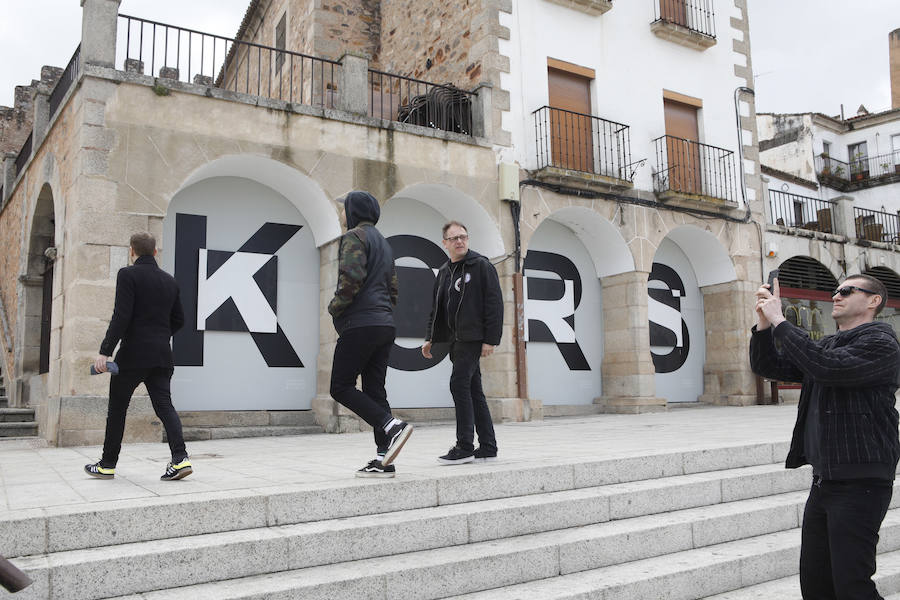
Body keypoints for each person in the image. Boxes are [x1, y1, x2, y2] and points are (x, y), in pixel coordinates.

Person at [750, 273, 900, 599]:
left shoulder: (882, 343)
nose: (836, 296)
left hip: (861, 482)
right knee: (816, 583)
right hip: (824, 482)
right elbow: (769, 366)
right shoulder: (827, 345)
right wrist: (764, 323)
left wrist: (780, 319)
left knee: (852, 584)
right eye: (835, 291)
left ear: (873, 301)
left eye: (846, 291)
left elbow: (827, 367)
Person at [86, 232, 192, 481]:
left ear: (132, 251)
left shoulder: (127, 274)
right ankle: (180, 459)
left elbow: (121, 316)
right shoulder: (170, 281)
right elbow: (179, 320)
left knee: (118, 409)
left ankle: (107, 464)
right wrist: (159, 335)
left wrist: (105, 350)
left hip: (132, 355)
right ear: (155, 252)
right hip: (162, 355)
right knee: (165, 406)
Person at [328, 190, 412, 478]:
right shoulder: (385, 245)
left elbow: (350, 280)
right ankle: (383, 457)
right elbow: (394, 291)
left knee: (340, 386)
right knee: (375, 390)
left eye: (343, 208)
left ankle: (392, 426)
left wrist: (334, 309)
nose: (341, 213)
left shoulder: (355, 237)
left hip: (360, 323)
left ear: (353, 211)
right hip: (384, 324)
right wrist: (382, 313)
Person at [422, 221, 503, 465]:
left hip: (473, 337)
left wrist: (490, 339)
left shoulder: (481, 266)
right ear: (445, 243)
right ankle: (488, 446)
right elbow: (437, 309)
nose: (460, 241)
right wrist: (430, 338)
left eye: (463, 237)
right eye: (454, 238)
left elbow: (494, 304)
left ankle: (465, 445)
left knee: (459, 385)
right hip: (455, 341)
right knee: (473, 390)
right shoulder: (444, 271)